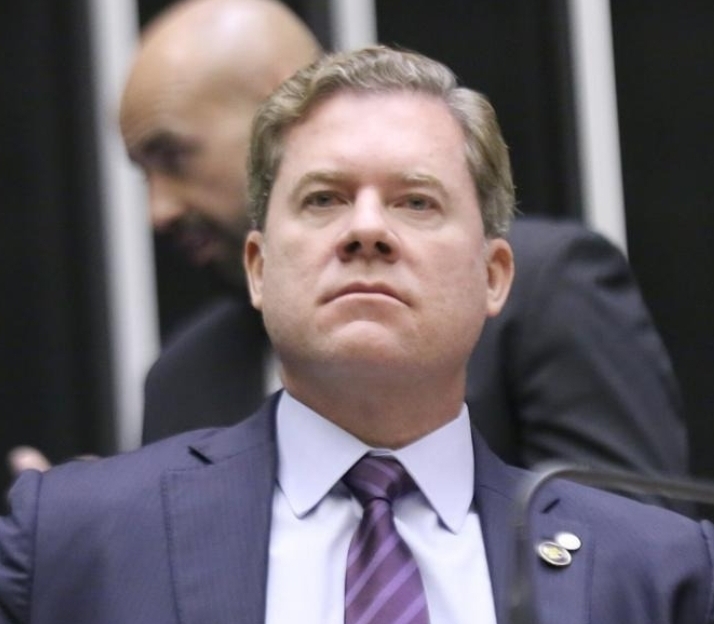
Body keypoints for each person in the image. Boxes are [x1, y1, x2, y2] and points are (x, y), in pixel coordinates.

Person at [0, 45, 711, 624]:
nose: (366, 229)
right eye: (324, 199)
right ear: (258, 268)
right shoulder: (73, 536)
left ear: (494, 276)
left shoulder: (659, 569)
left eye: (416, 202)